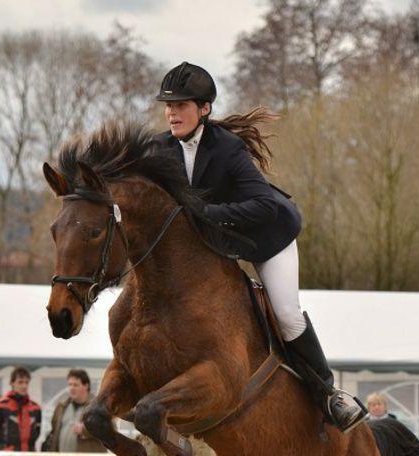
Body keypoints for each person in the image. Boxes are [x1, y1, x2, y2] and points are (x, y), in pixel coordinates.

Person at [153, 62, 367, 432]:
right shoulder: (159, 148)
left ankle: (329, 395)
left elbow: (264, 205)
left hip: (267, 236)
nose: (172, 113)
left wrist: (207, 213)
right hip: (220, 243)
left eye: (181, 105)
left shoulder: (228, 148)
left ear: (204, 109)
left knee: (286, 314)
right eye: (169, 106)